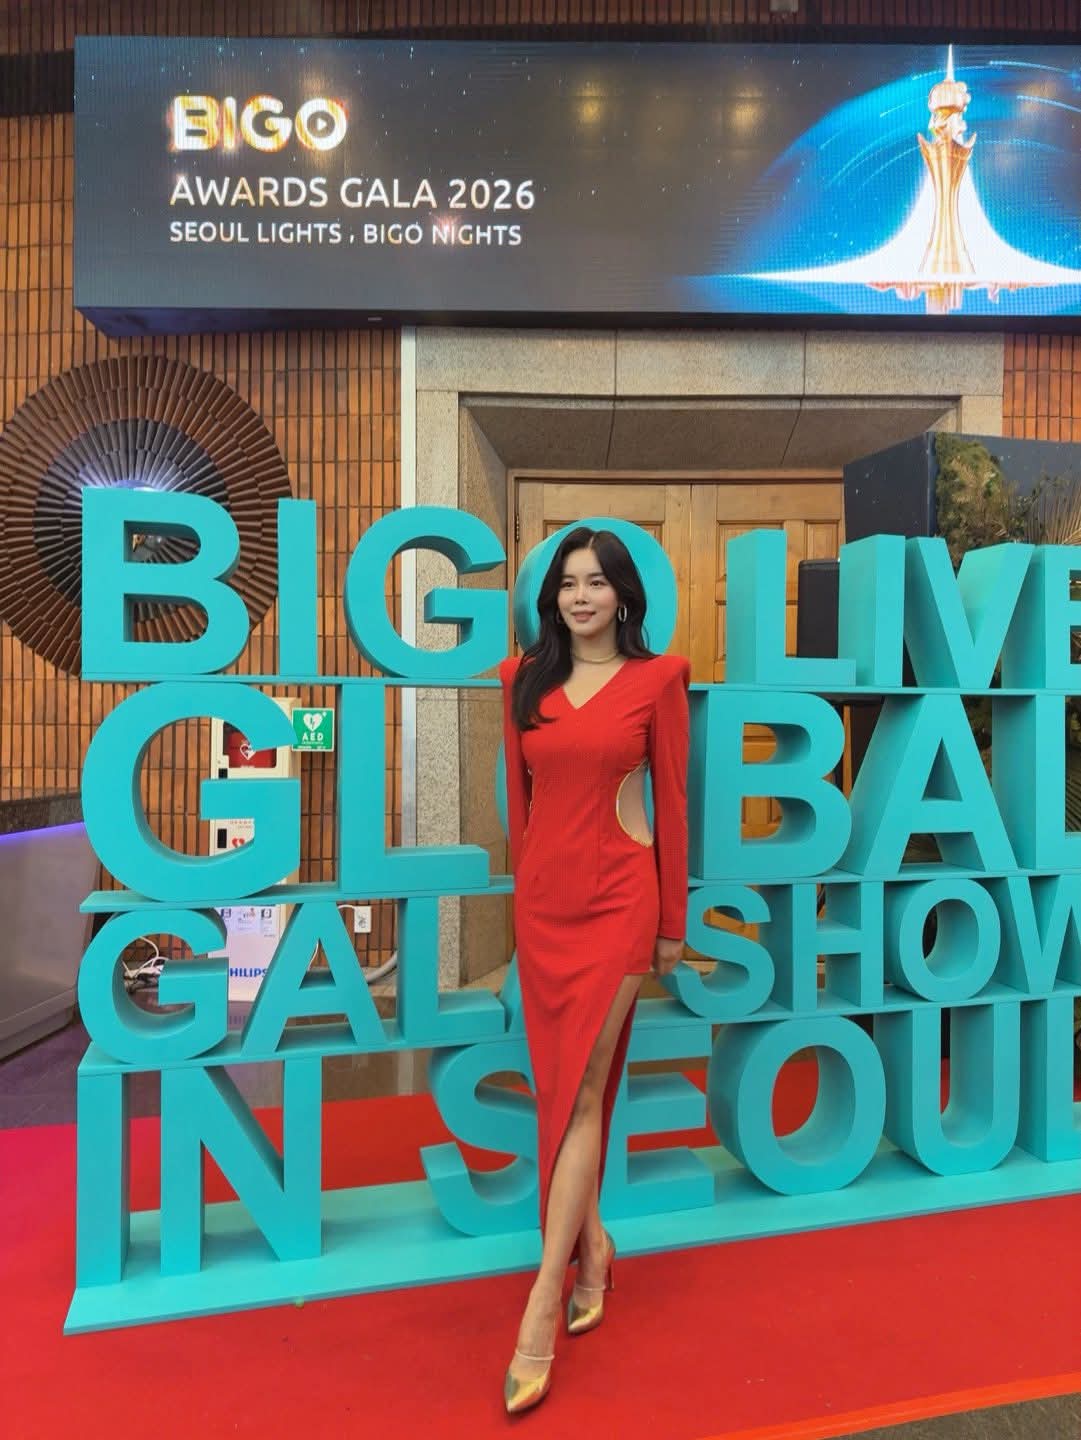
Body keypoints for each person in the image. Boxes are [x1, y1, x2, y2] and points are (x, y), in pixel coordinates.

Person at [498, 526, 690, 1415]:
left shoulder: (658, 680)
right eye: (567, 584)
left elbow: (672, 801)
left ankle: (543, 1296)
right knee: (557, 1090)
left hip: (620, 904)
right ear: (553, 599)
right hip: (544, 910)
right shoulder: (519, 679)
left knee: (581, 1089)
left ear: (622, 596)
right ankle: (594, 1249)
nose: (580, 597)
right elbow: (519, 807)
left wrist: (672, 924)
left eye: (596, 582)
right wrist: (519, 909)